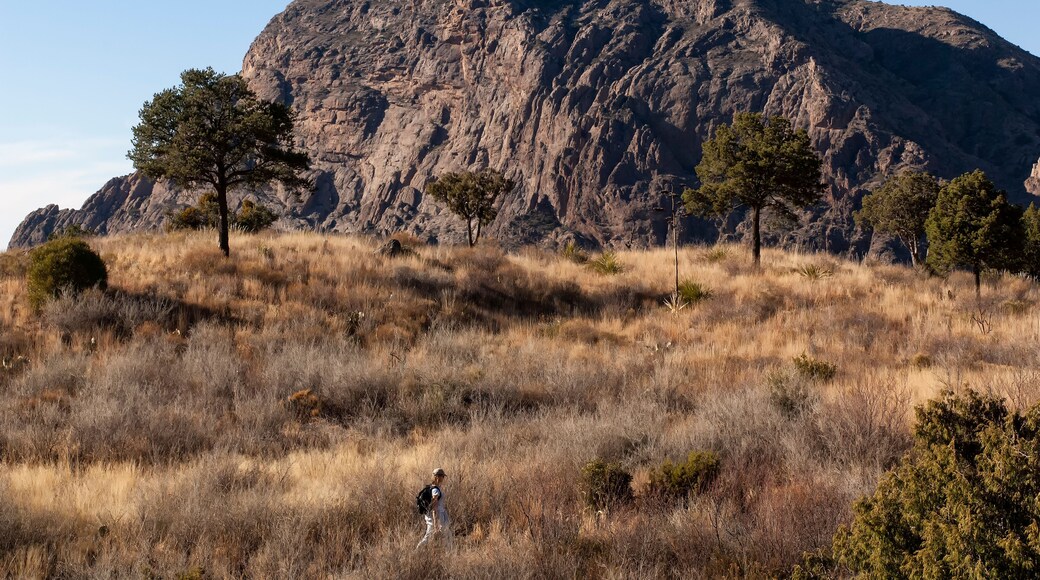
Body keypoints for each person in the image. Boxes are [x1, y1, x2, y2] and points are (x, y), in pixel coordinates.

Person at [416, 467, 452, 549]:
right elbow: (434, 507)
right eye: (442, 476)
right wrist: (436, 524)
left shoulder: (432, 487)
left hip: (438, 515)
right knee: (430, 536)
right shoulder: (435, 491)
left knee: (447, 535)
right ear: (438, 477)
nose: (443, 478)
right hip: (437, 516)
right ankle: (417, 550)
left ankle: (449, 553)